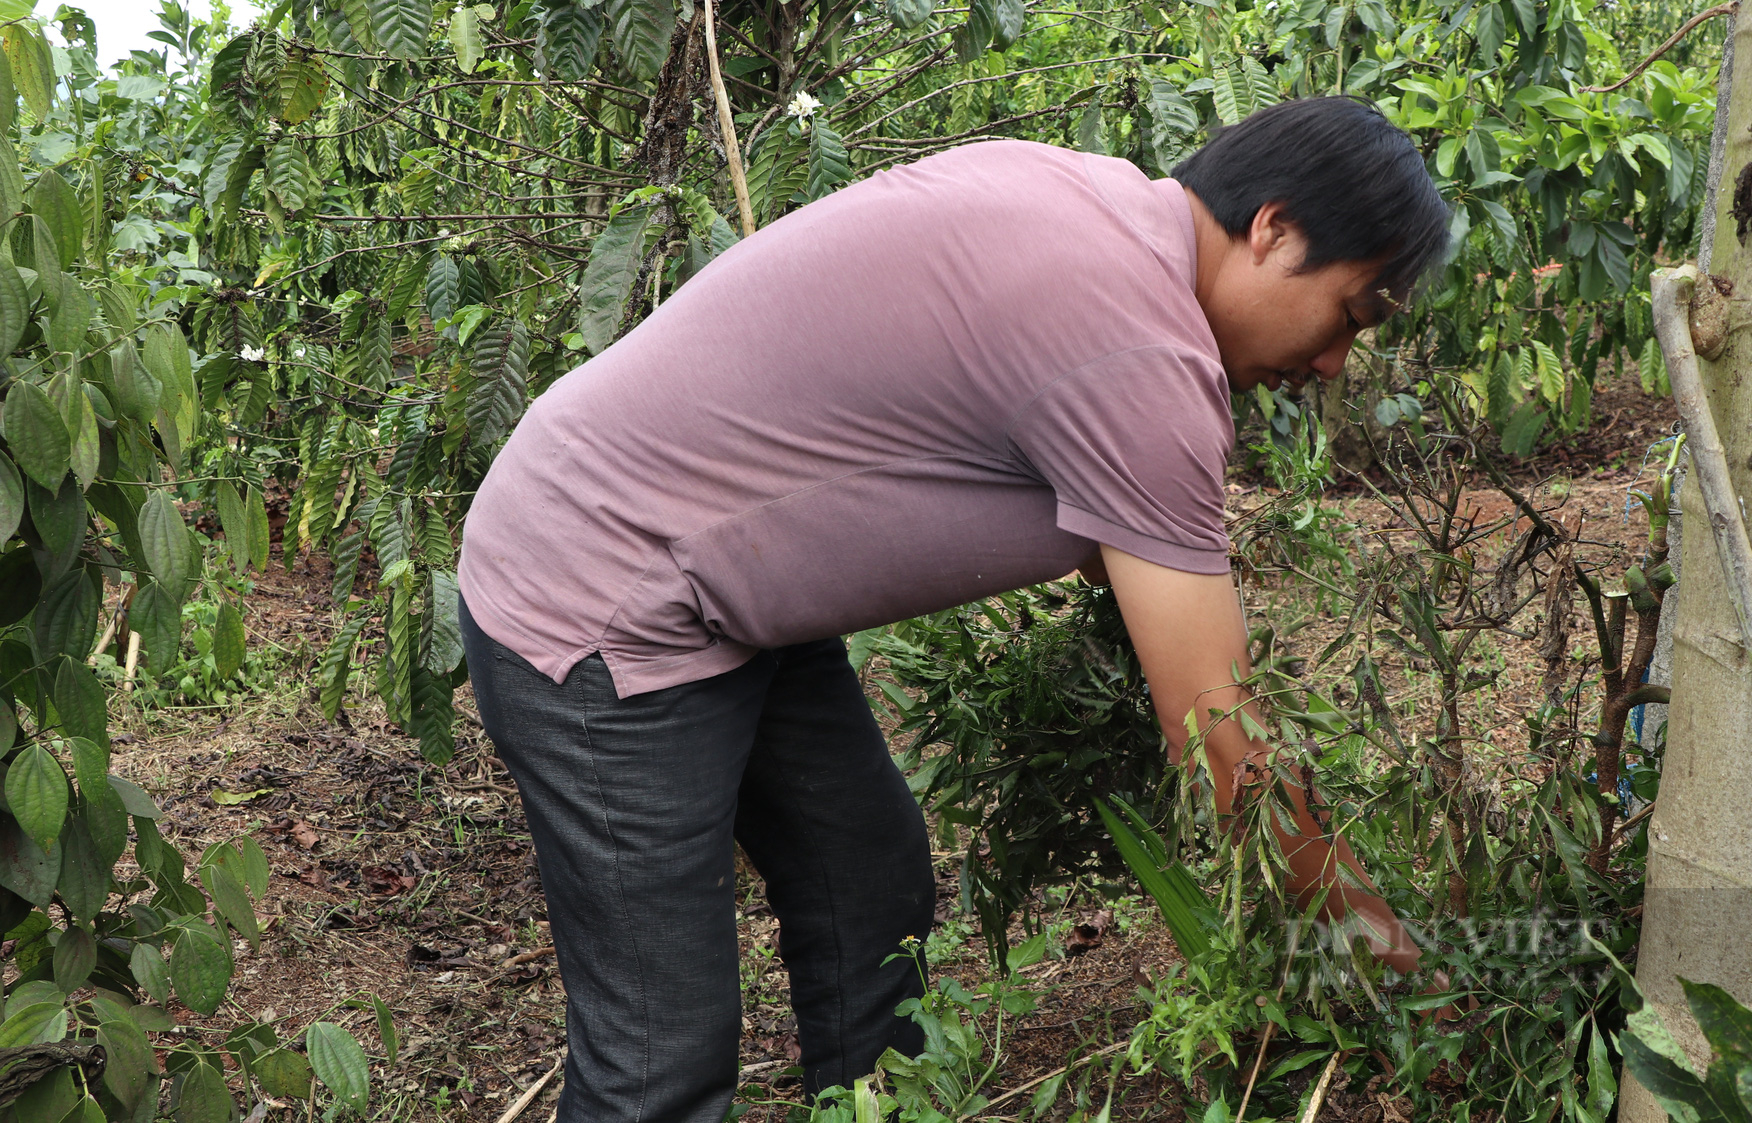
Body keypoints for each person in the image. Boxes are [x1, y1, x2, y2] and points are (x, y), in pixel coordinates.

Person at [457, 94, 1453, 1122]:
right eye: (1351, 313)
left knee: (866, 880)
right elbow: (1219, 734)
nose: (1334, 363)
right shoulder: (1141, 353)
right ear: (1273, 229)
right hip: (600, 595)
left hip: (710, 575)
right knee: (659, 1059)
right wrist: (1393, 961)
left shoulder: (1100, 203)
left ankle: (877, 1108)